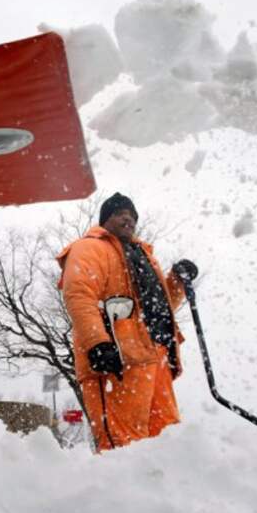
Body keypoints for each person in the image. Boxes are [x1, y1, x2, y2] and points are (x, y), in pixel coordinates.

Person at [56, 193, 199, 450]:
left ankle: (163, 489)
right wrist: (98, 343)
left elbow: (157, 305)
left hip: (156, 357)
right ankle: (120, 490)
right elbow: (79, 294)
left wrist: (176, 281)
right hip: (116, 359)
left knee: (166, 440)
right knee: (123, 445)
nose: (128, 219)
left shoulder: (143, 254)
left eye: (132, 215)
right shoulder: (90, 247)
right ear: (105, 220)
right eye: (120, 213)